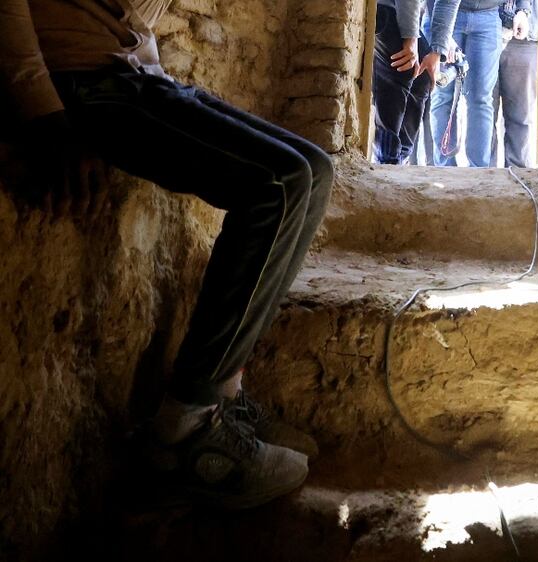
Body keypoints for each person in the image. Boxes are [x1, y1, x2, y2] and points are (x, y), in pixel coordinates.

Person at [0, 0, 333, 508]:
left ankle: (222, 390)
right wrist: (45, 115)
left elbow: (135, 16)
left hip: (136, 74)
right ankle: (187, 427)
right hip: (84, 85)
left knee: (314, 169)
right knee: (278, 185)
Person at [429, 0, 531, 167]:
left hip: (488, 16)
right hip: (443, 11)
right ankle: (444, 168)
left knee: (481, 98)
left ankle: (479, 170)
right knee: (442, 94)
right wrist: (442, 36)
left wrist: (522, 9)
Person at [372, 0, 460, 164]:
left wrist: (436, 52)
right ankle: (385, 160)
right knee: (402, 69)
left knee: (422, 78)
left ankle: (400, 158)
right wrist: (410, 38)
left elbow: (448, 2)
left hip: (399, 10)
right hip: (383, 7)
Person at [491, 0, 538, 169]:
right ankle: (484, 176)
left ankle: (518, 175)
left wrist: (523, 11)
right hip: (484, 29)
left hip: (524, 38)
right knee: (483, 111)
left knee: (521, 114)